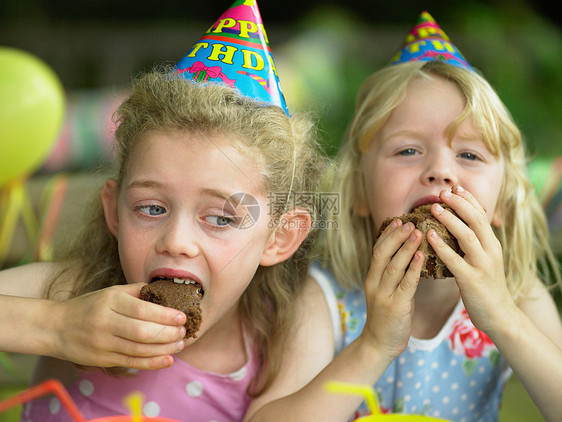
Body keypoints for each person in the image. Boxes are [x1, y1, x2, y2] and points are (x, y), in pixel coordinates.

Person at [0, 2, 336, 421]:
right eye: (152, 207)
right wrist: (58, 326)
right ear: (115, 212)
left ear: (280, 236)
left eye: (220, 218)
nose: (176, 241)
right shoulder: (78, 290)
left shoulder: (285, 328)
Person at [313, 11, 562, 422]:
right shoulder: (327, 296)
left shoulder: (517, 291)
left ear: (500, 203)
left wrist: (502, 318)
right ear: (359, 192)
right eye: (408, 150)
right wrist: (373, 343)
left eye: (469, 154)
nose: (440, 169)